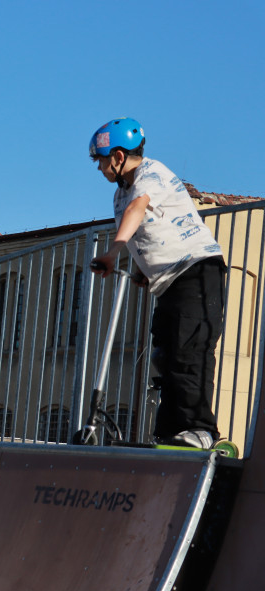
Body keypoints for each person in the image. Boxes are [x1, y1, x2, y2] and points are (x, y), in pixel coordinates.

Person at [89, 117, 227, 448]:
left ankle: (201, 430)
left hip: (196, 272)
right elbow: (150, 230)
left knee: (188, 352)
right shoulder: (119, 195)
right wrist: (141, 270)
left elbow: (140, 209)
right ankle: (170, 433)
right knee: (164, 357)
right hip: (168, 282)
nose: (100, 169)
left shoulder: (151, 173)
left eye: (101, 161)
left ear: (119, 157)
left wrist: (112, 252)